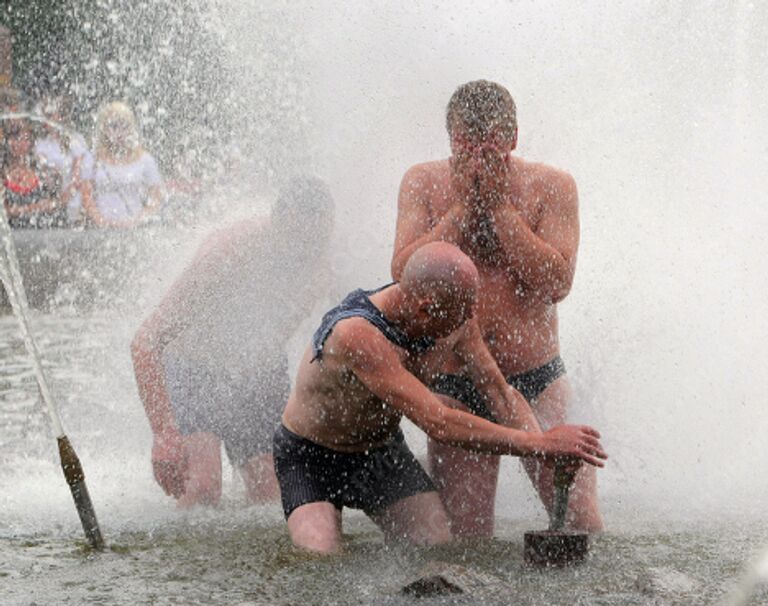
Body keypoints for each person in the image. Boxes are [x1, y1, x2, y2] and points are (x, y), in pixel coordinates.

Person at [275, 242, 606, 554]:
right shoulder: (357, 334)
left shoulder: (456, 315)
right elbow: (439, 422)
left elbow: (499, 393)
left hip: (379, 454)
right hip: (311, 458)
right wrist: (537, 444)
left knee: (436, 546)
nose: (468, 320)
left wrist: (542, 445)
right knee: (320, 559)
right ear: (424, 309)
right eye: (461, 315)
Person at [391, 80, 602, 534]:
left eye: (493, 144)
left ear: (514, 138)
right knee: (469, 537)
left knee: (582, 524)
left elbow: (557, 283)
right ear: (450, 140)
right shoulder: (424, 182)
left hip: (536, 378)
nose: (480, 157)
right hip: (456, 381)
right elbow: (405, 275)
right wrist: (464, 208)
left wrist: (502, 209)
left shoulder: (552, 186)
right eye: (467, 145)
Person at [131, 176, 334, 506]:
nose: (306, 256)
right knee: (203, 486)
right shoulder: (227, 253)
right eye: (299, 243)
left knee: (274, 497)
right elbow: (145, 342)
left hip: (258, 376)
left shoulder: (321, 265)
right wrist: (163, 435)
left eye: (316, 244)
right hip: (194, 367)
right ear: (277, 225)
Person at [81, 101, 165, 228]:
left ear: (131, 128)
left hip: (135, 230)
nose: (119, 132)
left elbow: (156, 198)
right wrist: (101, 221)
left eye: (124, 126)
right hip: (100, 230)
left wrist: (137, 221)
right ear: (105, 129)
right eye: (114, 126)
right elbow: (86, 196)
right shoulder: (93, 159)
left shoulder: (145, 160)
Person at [33, 95, 94, 226]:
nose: (49, 120)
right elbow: (43, 170)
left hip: (75, 201)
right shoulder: (41, 144)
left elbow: (79, 174)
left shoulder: (76, 139)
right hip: (53, 200)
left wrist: (65, 197)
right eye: (46, 115)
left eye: (52, 115)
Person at [2, 118, 65, 228]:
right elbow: (3, 211)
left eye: (26, 139)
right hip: (11, 237)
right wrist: (34, 207)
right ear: (8, 141)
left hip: (40, 235)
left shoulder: (40, 171)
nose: (21, 143)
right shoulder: (2, 173)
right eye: (16, 138)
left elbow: (55, 203)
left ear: (31, 142)